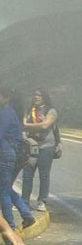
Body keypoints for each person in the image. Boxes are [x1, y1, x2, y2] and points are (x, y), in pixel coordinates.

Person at [0, 86, 34, 230]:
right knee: (5, 188)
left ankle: (10, 225)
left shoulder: (5, 113)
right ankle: (27, 215)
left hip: (5, 153)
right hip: (11, 153)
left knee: (3, 191)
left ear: (6, 98)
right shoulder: (10, 111)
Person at [22, 89, 58, 212]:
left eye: (39, 95)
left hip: (46, 146)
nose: (36, 97)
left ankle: (42, 201)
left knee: (44, 174)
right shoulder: (29, 110)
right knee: (27, 174)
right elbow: (22, 123)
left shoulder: (51, 111)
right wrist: (30, 125)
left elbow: (45, 125)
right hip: (31, 146)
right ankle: (24, 201)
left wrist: (28, 125)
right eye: (34, 95)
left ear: (44, 97)